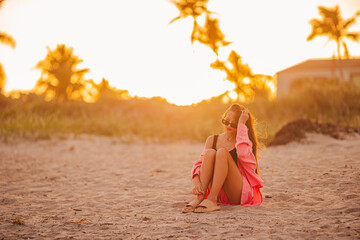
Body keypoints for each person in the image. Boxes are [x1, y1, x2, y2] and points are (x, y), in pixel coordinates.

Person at [182, 103, 263, 213]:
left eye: (234, 123)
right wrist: (196, 181)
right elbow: (200, 164)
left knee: (222, 153)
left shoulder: (243, 142)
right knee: (210, 153)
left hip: (237, 193)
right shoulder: (212, 140)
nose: (229, 125)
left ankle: (212, 199)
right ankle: (200, 198)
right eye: (226, 121)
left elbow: (243, 154)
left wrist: (241, 126)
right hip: (221, 193)